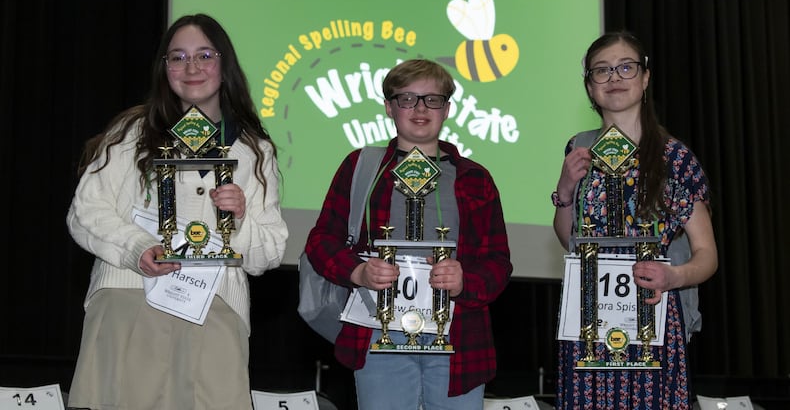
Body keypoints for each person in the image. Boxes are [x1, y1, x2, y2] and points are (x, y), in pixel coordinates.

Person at [66, 13, 288, 409]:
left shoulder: (254, 150)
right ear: (164, 68)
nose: (191, 67)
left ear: (225, 65)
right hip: (128, 298)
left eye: (204, 54)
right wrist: (137, 248)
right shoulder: (131, 132)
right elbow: (85, 211)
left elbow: (268, 253)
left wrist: (237, 218)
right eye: (177, 57)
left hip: (214, 307)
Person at [305, 59, 512, 409]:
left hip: (457, 339)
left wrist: (465, 280)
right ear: (389, 107)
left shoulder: (476, 178)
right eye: (407, 99)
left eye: (432, 99)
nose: (420, 109)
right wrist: (358, 271)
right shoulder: (360, 167)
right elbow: (321, 240)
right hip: (376, 334)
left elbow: (499, 263)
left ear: (447, 108)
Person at [552, 31, 718, 409]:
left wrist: (674, 276)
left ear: (645, 78)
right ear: (590, 88)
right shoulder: (578, 147)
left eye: (626, 68)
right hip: (587, 321)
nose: (614, 78)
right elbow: (569, 240)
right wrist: (564, 191)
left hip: (654, 320)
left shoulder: (675, 159)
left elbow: (707, 253)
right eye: (602, 71)